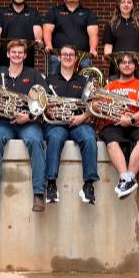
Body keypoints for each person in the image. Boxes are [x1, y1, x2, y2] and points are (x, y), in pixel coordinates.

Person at [0, 40, 48, 211]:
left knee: (36, 141)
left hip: (28, 123)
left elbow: (44, 101)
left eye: (20, 52)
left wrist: (28, 116)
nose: (17, 55)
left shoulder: (34, 75)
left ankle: (38, 194)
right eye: (14, 52)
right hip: (5, 124)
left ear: (25, 55)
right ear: (7, 54)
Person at [43, 44, 98, 205]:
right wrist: (48, 112)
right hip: (56, 124)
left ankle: (88, 185)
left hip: (78, 123)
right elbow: (42, 105)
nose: (67, 57)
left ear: (76, 59)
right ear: (59, 58)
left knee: (89, 137)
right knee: (54, 138)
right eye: (64, 54)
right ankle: (51, 184)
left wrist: (84, 116)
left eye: (71, 55)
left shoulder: (84, 81)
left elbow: (94, 105)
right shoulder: (49, 80)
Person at [98, 53, 139, 199]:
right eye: (123, 62)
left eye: (130, 62)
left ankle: (128, 178)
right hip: (114, 123)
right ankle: (125, 178)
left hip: (136, 123)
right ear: (118, 66)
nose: (127, 65)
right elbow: (96, 104)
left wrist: (132, 120)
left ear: (135, 66)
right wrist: (105, 109)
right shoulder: (110, 86)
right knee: (111, 141)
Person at [43, 0, 98, 77]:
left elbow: (93, 34)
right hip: (58, 56)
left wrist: (93, 49)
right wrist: (48, 45)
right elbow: (47, 30)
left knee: (86, 86)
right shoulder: (54, 11)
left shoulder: (88, 13)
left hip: (82, 57)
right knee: (52, 83)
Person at [0, 0, 43, 71]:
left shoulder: (33, 12)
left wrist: (38, 38)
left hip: (27, 62)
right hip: (5, 63)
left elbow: (37, 30)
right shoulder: (2, 12)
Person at [103, 0, 139, 78]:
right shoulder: (111, 25)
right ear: (119, 5)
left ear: (133, 6)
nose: (126, 4)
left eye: (129, 2)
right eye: (123, 2)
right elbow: (108, 46)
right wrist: (108, 57)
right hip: (117, 69)